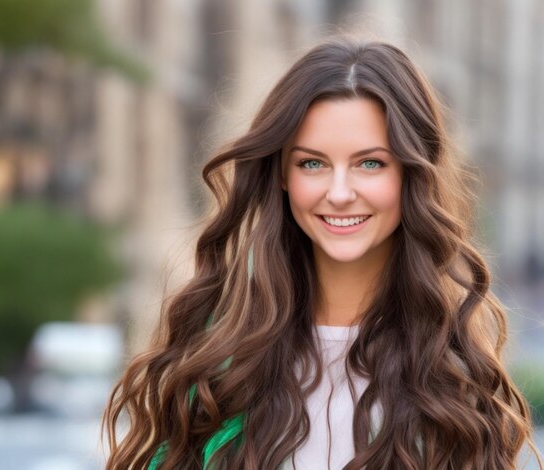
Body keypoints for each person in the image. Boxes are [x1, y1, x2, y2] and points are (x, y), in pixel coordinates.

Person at [103, 36, 542, 469]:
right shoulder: (217, 362)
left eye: (370, 163)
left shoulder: (451, 374)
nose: (339, 193)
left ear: (412, 175)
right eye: (312, 163)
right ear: (281, 175)